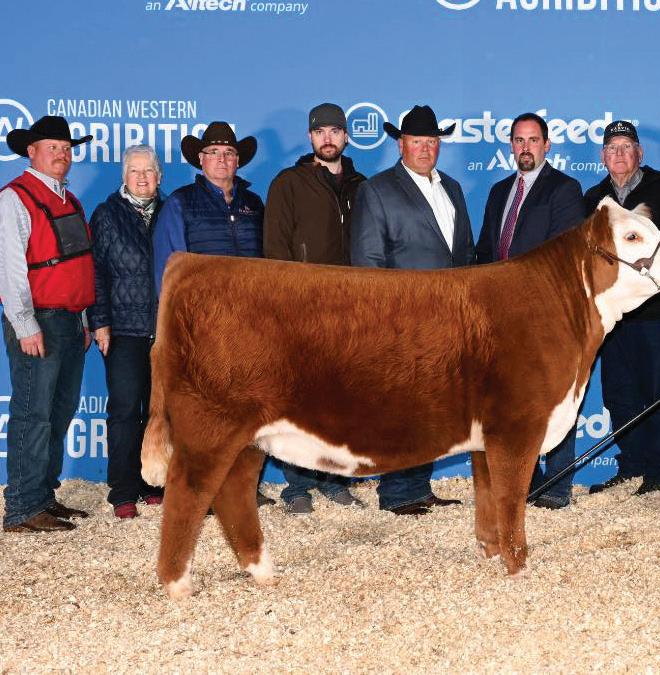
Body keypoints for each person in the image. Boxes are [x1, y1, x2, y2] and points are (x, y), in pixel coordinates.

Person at [351, 104, 474, 516]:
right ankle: (397, 492)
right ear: (400, 144)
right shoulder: (377, 190)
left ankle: (419, 487)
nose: (425, 148)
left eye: (432, 141)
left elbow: (464, 255)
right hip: (401, 322)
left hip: (449, 321)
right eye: (417, 141)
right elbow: (368, 262)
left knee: (434, 407)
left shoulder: (452, 188)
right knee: (401, 408)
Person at [153, 120, 274, 507]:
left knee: (247, 409)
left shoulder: (253, 204)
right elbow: (169, 268)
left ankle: (240, 488)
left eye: (229, 153)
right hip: (203, 325)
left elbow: (268, 262)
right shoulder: (181, 203)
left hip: (249, 324)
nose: (222, 159)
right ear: (200, 160)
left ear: (238, 160)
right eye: (214, 153)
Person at [476, 112, 585, 510]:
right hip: (500, 315)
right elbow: (486, 251)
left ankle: (557, 485)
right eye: (519, 140)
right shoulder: (498, 191)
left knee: (554, 396)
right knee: (511, 401)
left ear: (547, 145)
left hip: (546, 314)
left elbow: (562, 255)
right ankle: (526, 480)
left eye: (533, 140)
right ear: (511, 145)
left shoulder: (565, 189)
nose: (526, 147)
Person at [264, 103, 366, 514]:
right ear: (310, 137)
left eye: (335, 131)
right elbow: (275, 248)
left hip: (350, 310)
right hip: (303, 308)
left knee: (342, 398)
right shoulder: (289, 183)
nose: (327, 138)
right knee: (300, 400)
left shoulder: (361, 185)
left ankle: (336, 479)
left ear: (346, 136)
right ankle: (298, 486)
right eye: (320, 131)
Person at [583, 120, 660, 496]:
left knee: (655, 390)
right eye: (612, 148)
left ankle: (659, 471)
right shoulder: (594, 199)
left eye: (626, 147)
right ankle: (631, 465)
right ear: (603, 156)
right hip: (612, 315)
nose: (619, 154)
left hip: (655, 312)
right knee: (617, 392)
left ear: (639, 154)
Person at [0, 116, 95, 532]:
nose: (62, 154)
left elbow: (78, 264)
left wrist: (84, 318)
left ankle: (42, 496)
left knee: (59, 412)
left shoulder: (68, 199)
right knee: (33, 412)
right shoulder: (14, 198)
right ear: (31, 152)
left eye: (67, 148)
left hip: (70, 319)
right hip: (38, 319)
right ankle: (21, 507)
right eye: (53, 147)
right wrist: (25, 325)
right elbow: (10, 269)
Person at [89, 145, 168, 519]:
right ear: (124, 177)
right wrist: (99, 321)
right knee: (123, 410)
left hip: (163, 331)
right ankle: (122, 490)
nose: (142, 177)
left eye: (148, 171)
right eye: (135, 171)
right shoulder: (107, 215)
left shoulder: (171, 212)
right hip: (122, 330)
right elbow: (96, 272)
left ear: (159, 176)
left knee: (158, 411)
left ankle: (153, 483)